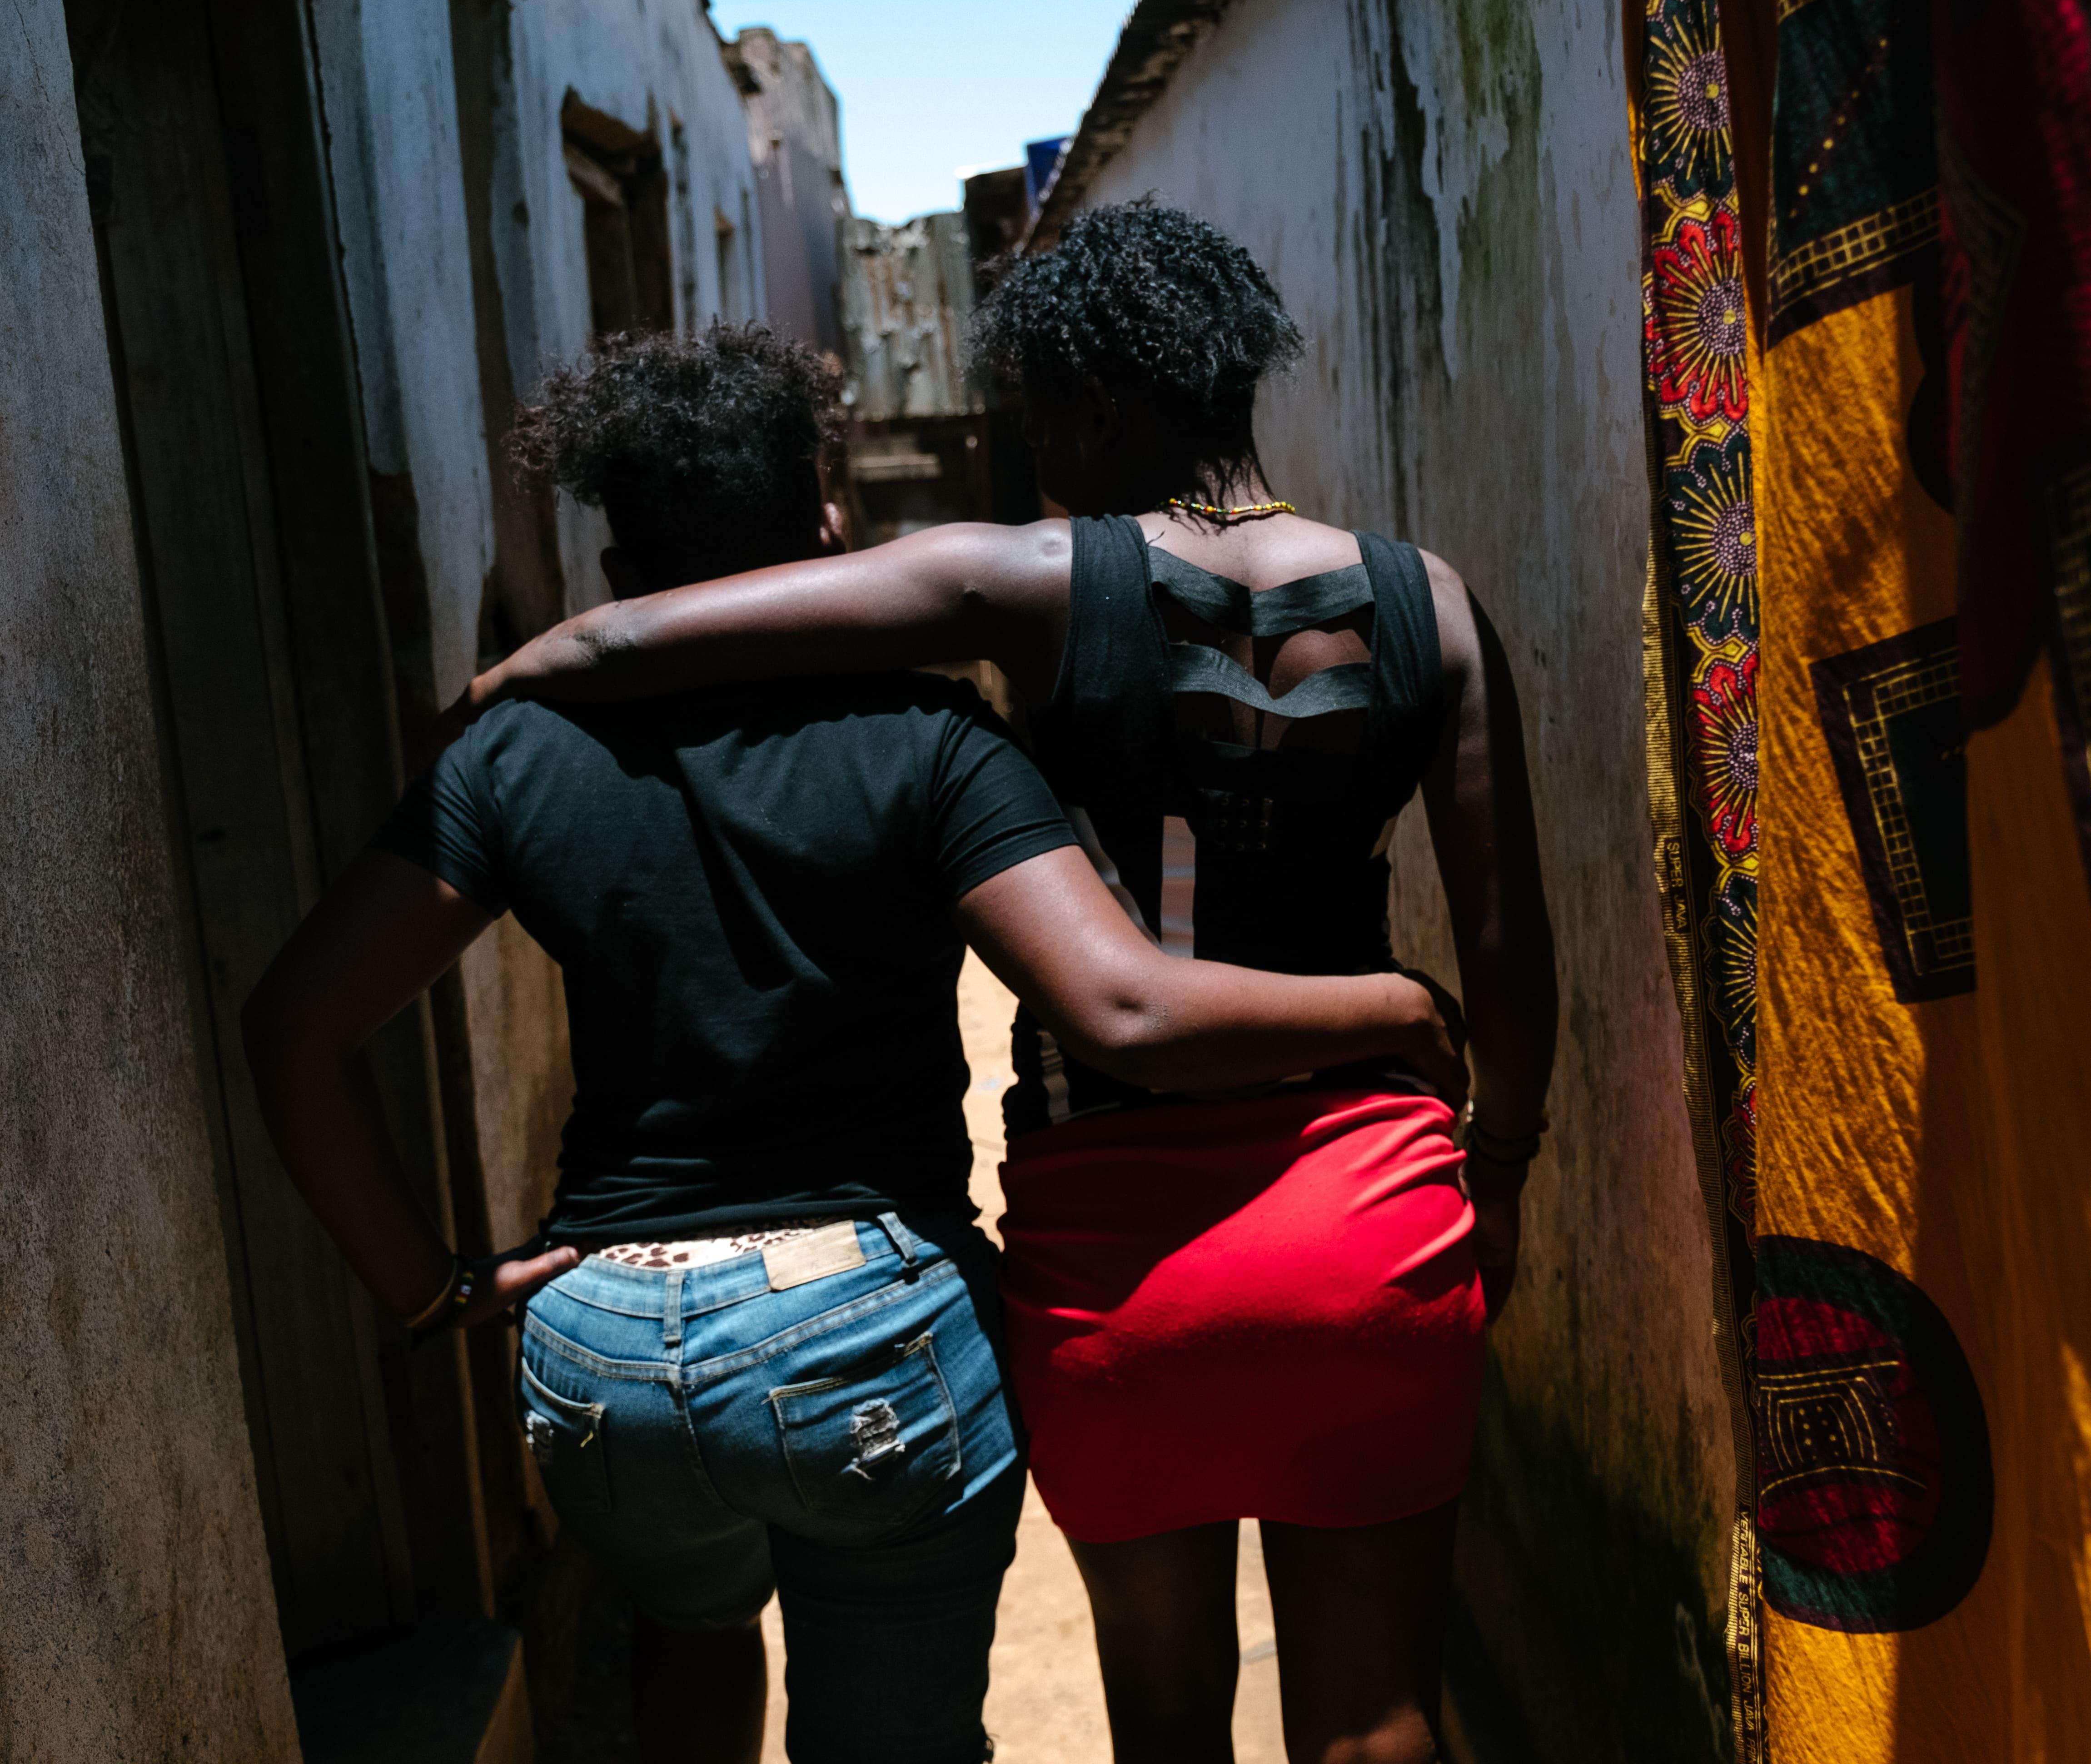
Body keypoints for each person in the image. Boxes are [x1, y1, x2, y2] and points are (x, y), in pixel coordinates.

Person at [242, 323, 1467, 1764]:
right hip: (869, 1327)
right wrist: (1405, 1008)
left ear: (620, 564)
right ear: (823, 529)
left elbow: (294, 1030)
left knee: (686, 1643)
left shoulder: (518, 752)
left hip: (609, 1342)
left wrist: (435, 1290)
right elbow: (1122, 1001)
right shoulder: (930, 740)